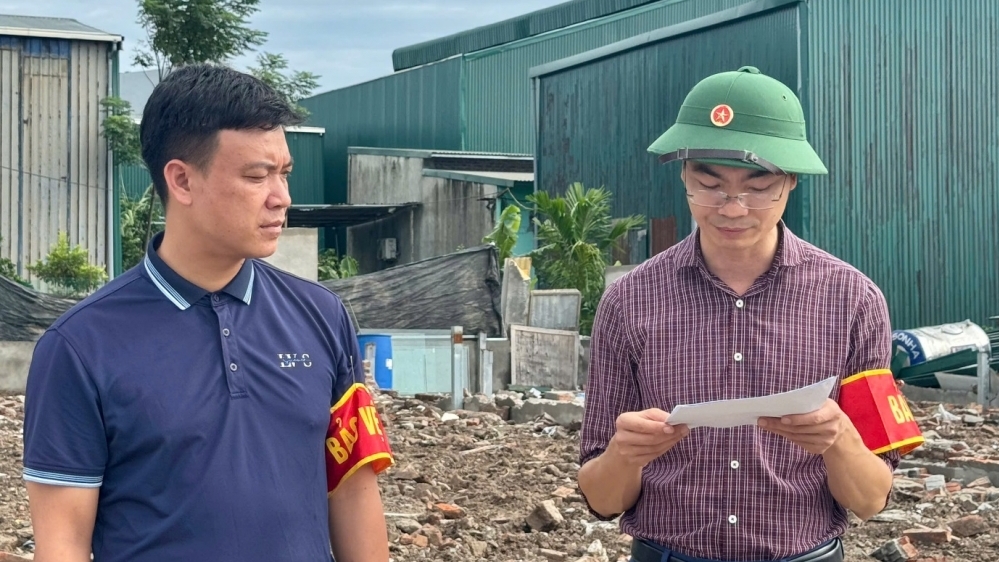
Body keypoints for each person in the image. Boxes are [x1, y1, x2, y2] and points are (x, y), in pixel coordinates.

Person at [22, 64, 394, 562]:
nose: (282, 198)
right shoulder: (80, 347)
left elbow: (352, 491)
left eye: (284, 174)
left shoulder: (322, 316)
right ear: (181, 180)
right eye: (256, 176)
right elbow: (62, 542)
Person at [576, 66, 924, 562]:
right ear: (683, 175)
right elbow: (601, 498)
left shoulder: (852, 300)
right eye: (709, 184)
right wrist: (624, 454)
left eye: (759, 188)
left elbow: (870, 500)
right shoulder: (629, 301)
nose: (733, 209)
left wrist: (839, 437)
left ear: (791, 181)